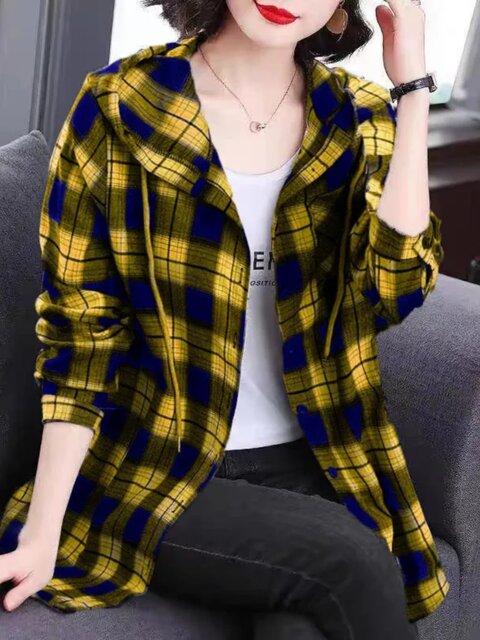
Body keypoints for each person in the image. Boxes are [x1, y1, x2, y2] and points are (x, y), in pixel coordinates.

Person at [0, 0, 448, 638]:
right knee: (351, 556)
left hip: (315, 461)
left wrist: (413, 93)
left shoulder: (359, 118)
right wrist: (44, 533)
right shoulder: (119, 107)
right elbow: (82, 338)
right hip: (162, 467)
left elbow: (394, 288)